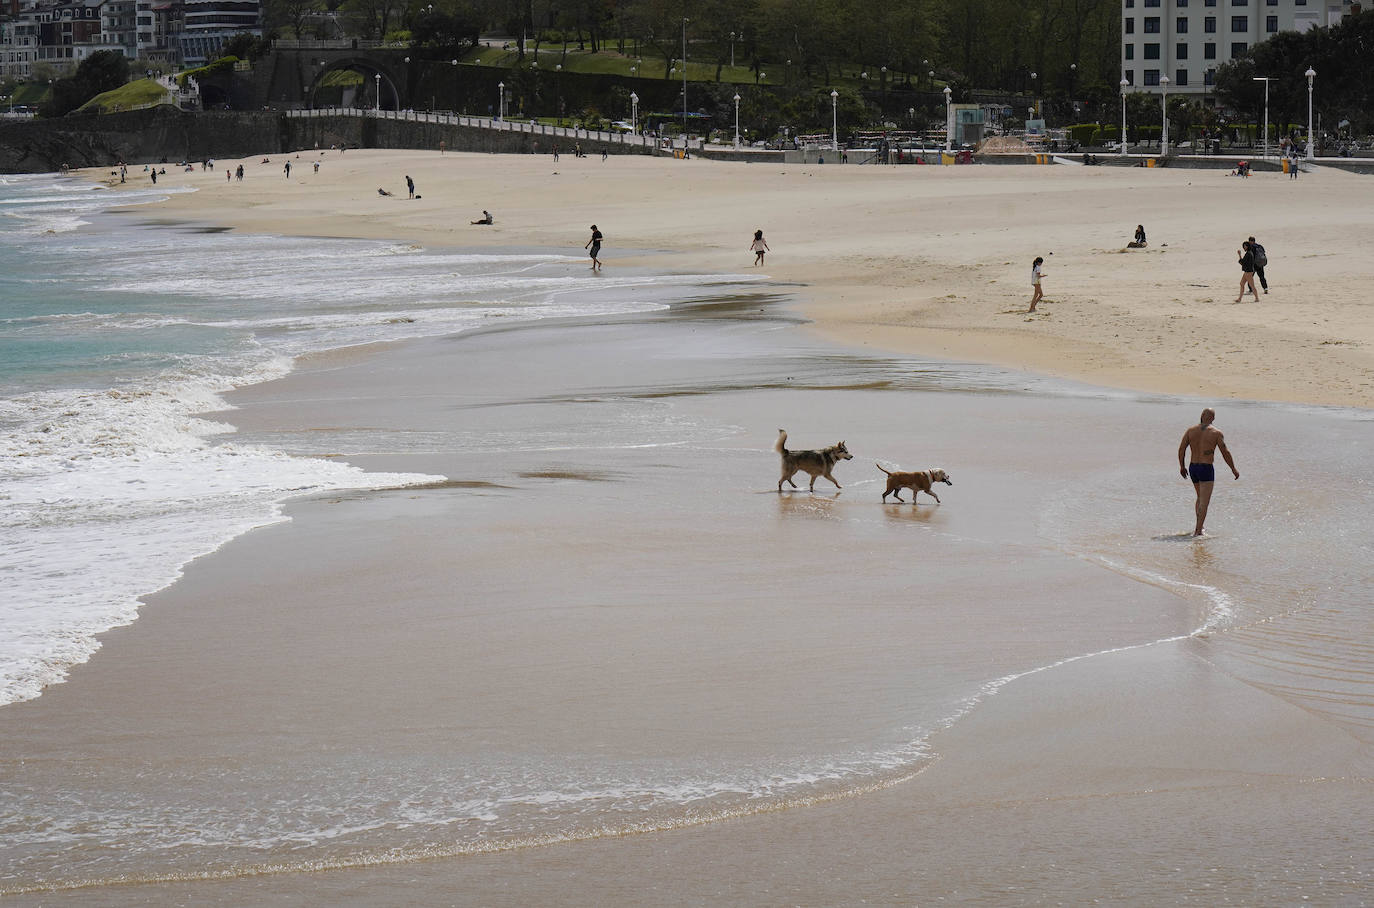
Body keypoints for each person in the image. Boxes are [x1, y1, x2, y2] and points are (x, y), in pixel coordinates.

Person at [1178, 407, 1240, 536]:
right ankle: (1198, 531)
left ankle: (1200, 526)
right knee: (1204, 501)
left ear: (1201, 415)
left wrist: (1182, 467)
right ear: (1213, 419)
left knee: (1200, 498)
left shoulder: (1191, 431)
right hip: (1206, 468)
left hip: (1193, 467)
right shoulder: (1216, 433)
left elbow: (1181, 449)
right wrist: (1233, 468)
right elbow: (1225, 452)